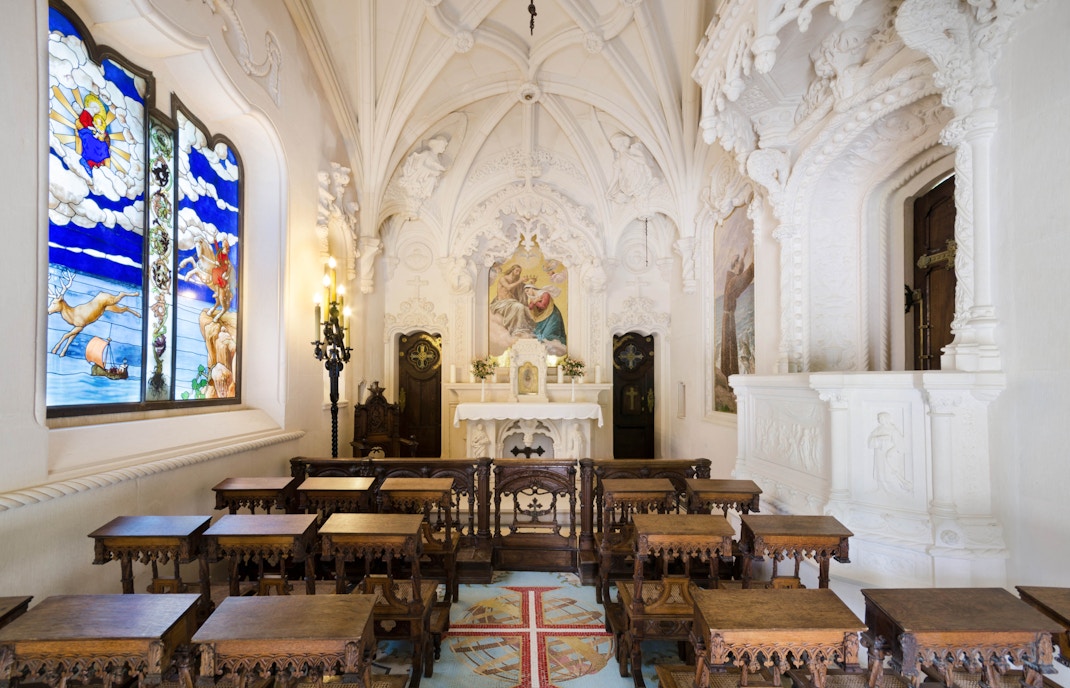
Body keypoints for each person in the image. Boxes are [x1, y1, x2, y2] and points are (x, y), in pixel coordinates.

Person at [720, 249, 754, 378]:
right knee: (730, 347)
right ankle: (730, 376)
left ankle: (728, 375)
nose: (741, 266)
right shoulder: (733, 282)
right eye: (740, 263)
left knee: (729, 347)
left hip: (727, 317)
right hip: (729, 318)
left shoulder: (731, 278)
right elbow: (744, 278)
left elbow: (740, 276)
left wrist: (744, 257)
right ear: (735, 265)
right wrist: (753, 266)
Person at [490, 264, 534, 337]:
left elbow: (524, 289)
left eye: (520, 272)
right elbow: (508, 287)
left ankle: (530, 329)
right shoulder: (503, 279)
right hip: (502, 303)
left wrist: (531, 282)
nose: (518, 273)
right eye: (517, 270)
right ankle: (518, 329)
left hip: (511, 302)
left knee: (528, 311)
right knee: (519, 307)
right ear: (512, 270)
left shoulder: (516, 281)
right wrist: (520, 281)